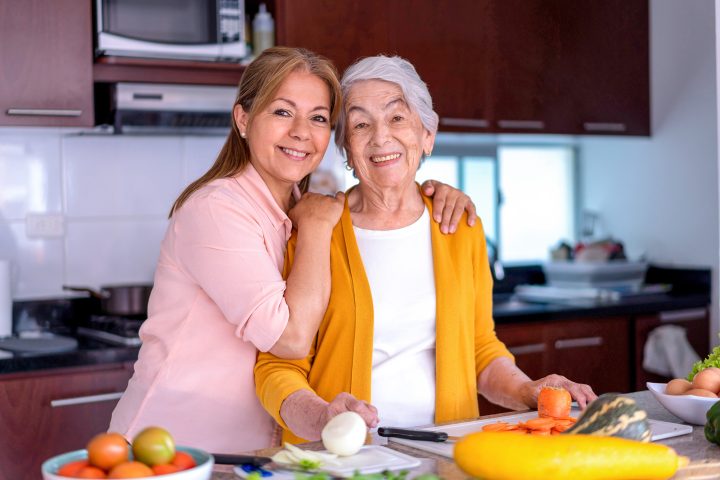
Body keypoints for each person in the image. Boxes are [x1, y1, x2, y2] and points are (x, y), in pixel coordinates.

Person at [109, 47, 477, 454]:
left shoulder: (298, 209)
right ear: (244, 119)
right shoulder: (218, 209)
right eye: (282, 112)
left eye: (318, 117)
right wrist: (319, 227)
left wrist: (438, 193)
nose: (302, 131)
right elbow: (291, 339)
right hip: (174, 447)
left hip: (254, 451)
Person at [254, 55, 597, 444]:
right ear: (347, 150)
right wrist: (322, 418)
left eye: (397, 118)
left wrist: (526, 390)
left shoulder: (459, 225)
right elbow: (276, 367)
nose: (380, 137)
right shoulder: (317, 231)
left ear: (427, 136)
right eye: (361, 124)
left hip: (444, 454)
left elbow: (480, 349)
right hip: (346, 460)